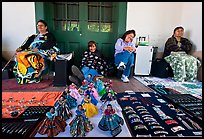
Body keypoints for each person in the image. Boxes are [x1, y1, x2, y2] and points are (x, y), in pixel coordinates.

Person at [13, 19, 59, 84]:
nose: (39, 27)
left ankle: (35, 77)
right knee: (19, 56)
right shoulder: (33, 36)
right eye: (38, 26)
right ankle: (25, 77)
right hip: (32, 50)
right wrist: (21, 48)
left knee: (33, 58)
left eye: (41, 25)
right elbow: (27, 44)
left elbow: (50, 43)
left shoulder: (49, 35)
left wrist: (38, 48)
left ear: (46, 27)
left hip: (42, 51)